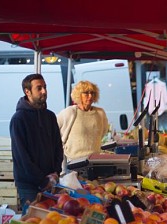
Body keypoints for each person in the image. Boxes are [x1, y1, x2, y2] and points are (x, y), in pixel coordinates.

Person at [9, 73, 63, 212]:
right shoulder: (18, 119)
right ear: (27, 92)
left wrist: (56, 172)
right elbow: (22, 157)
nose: (44, 91)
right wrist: (42, 180)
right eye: (39, 88)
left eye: (45, 87)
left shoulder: (50, 116)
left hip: (51, 182)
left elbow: (58, 146)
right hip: (29, 186)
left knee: (50, 223)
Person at [56, 80, 109, 163]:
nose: (90, 96)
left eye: (92, 93)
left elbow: (103, 132)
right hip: (74, 162)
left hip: (95, 160)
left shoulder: (100, 113)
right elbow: (53, 130)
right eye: (86, 93)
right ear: (78, 95)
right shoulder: (70, 112)